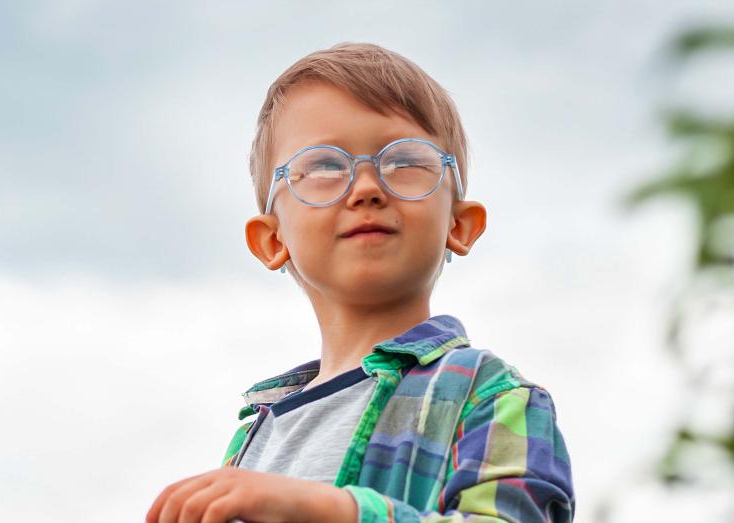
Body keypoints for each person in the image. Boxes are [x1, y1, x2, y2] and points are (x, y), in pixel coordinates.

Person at [144, 43, 575, 523]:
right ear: (271, 240)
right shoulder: (254, 439)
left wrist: (333, 510)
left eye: (405, 161)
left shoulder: (489, 394)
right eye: (326, 166)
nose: (367, 187)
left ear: (459, 225)